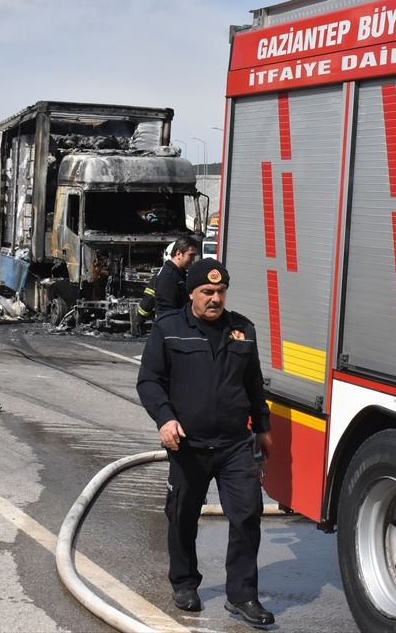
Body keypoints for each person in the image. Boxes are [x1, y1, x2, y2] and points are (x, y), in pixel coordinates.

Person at [136, 258, 274, 627]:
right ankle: (184, 583)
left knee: (247, 515)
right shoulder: (168, 328)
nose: (215, 299)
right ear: (192, 293)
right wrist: (165, 418)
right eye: (207, 292)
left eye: (220, 292)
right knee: (182, 515)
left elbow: (254, 384)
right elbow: (149, 381)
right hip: (188, 445)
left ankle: (242, 595)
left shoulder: (243, 330)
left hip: (233, 445)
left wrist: (262, 427)